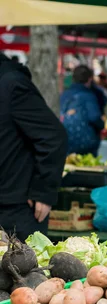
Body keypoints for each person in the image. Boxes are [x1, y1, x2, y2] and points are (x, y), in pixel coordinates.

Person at [0, 53, 68, 241]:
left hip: (16, 209)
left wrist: (43, 191)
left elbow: (54, 136)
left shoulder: (12, 84)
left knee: (22, 268)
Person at [59, 65, 104, 156]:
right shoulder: (89, 96)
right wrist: (101, 125)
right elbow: (94, 117)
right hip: (86, 143)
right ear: (89, 79)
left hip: (66, 140)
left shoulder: (64, 95)